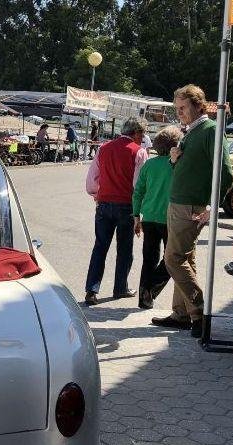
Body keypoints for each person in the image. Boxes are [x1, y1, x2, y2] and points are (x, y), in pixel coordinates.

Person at [152, 84, 233, 338]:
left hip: (189, 206)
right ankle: (182, 314)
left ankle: (199, 311)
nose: (179, 113)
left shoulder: (210, 131)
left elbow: (226, 173)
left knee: (173, 259)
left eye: (183, 107)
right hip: (180, 204)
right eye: (177, 108)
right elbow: (188, 170)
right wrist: (174, 159)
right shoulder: (193, 131)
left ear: (199, 106)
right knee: (185, 260)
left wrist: (213, 206)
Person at [84, 117, 150, 305]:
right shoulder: (139, 152)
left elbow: (92, 179)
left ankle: (91, 290)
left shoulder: (104, 148)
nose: (143, 138)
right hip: (126, 205)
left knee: (100, 247)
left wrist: (97, 194)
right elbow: (138, 185)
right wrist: (139, 212)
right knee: (125, 249)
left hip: (104, 204)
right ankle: (120, 287)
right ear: (136, 133)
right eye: (142, 134)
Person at [133, 126, 183, 309]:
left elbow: (138, 192)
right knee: (171, 259)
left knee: (149, 259)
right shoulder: (177, 165)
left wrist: (136, 216)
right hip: (169, 218)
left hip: (149, 217)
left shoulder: (149, 165)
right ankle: (151, 289)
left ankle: (144, 298)